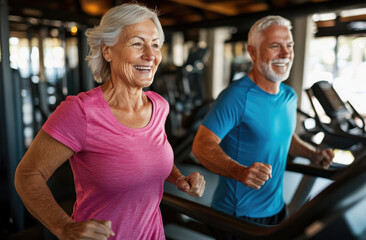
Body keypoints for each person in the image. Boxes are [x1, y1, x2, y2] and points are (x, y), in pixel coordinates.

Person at [14, 3, 205, 240]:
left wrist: (179, 178)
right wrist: (63, 226)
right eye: (137, 43)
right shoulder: (81, 111)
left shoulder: (159, 106)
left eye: (155, 44)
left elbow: (150, 155)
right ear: (107, 51)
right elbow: (27, 174)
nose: (150, 54)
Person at [192, 15, 334, 232]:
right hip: (238, 215)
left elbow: (284, 137)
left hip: (276, 208)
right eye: (275, 46)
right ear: (253, 52)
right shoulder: (236, 97)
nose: (286, 54)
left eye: (289, 45)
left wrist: (312, 154)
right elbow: (201, 145)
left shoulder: (289, 95)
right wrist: (240, 172)